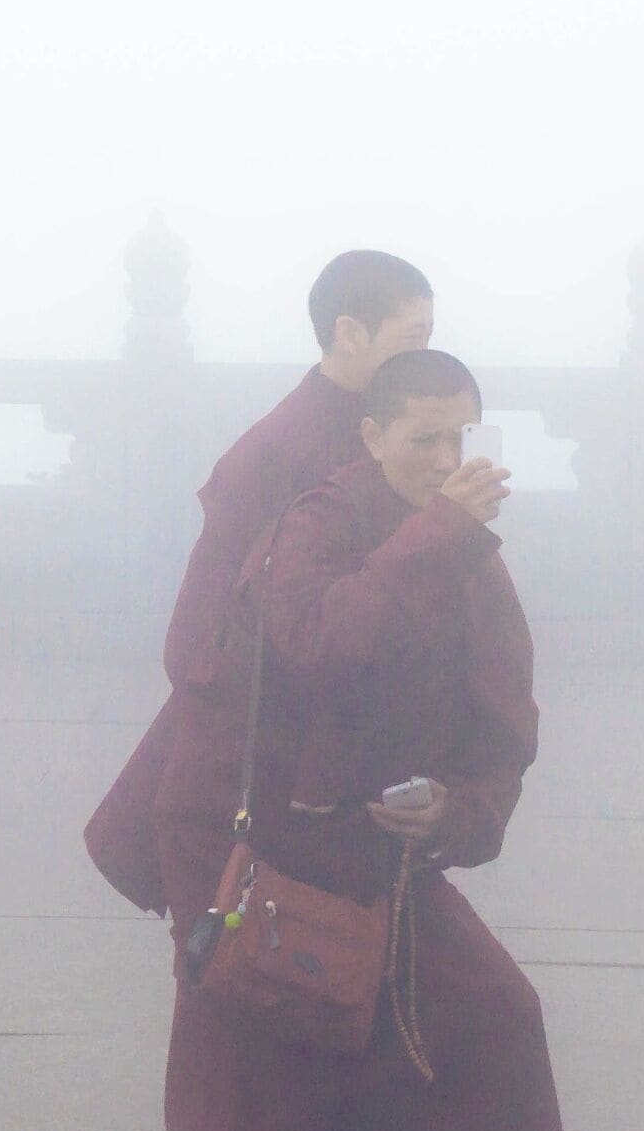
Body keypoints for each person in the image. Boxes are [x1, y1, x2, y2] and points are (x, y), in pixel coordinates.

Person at [141, 347, 588, 1131]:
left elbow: (503, 717)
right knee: (264, 1055)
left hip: (390, 851)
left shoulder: (469, 552)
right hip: (288, 845)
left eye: (461, 436)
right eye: (424, 437)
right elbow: (313, 642)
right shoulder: (320, 522)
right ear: (373, 435)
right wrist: (434, 535)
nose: (445, 457)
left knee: (495, 1014)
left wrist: (460, 809)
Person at [88, 249, 437, 913]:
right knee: (234, 982)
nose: (424, 356)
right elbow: (195, 638)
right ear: (350, 333)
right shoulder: (281, 451)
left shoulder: (378, 437)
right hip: (246, 776)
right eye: (412, 338)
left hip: (325, 771)